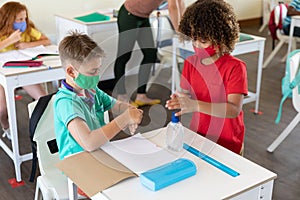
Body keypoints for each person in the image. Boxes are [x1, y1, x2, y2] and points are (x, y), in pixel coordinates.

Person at [165, 0, 248, 155]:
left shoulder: (235, 67)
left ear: (221, 39)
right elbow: (186, 94)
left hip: (228, 141)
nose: (196, 45)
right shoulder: (191, 63)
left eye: (203, 41)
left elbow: (233, 110)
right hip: (200, 135)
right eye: (193, 39)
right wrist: (180, 99)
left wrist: (194, 105)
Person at [54, 31, 143, 161]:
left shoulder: (91, 91)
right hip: (78, 164)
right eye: (93, 71)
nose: (98, 75)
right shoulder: (66, 103)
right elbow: (89, 143)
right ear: (71, 71)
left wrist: (131, 111)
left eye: (98, 69)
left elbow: (117, 106)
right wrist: (125, 119)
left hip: (100, 154)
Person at [114, 0, 185, 107]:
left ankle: (141, 96)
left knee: (150, 54)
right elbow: (173, 7)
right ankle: (121, 96)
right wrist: (179, 32)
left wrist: (184, 27)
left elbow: (180, 4)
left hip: (144, 18)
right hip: (129, 16)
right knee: (124, 56)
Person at [0, 2, 50, 139]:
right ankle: (6, 127)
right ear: (8, 19)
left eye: (25, 18)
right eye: (19, 19)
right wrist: (9, 40)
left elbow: (46, 41)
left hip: (21, 71)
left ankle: (43, 127)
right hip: (2, 76)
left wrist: (27, 44)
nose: (23, 22)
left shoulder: (27, 30)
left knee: (43, 99)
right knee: (2, 109)